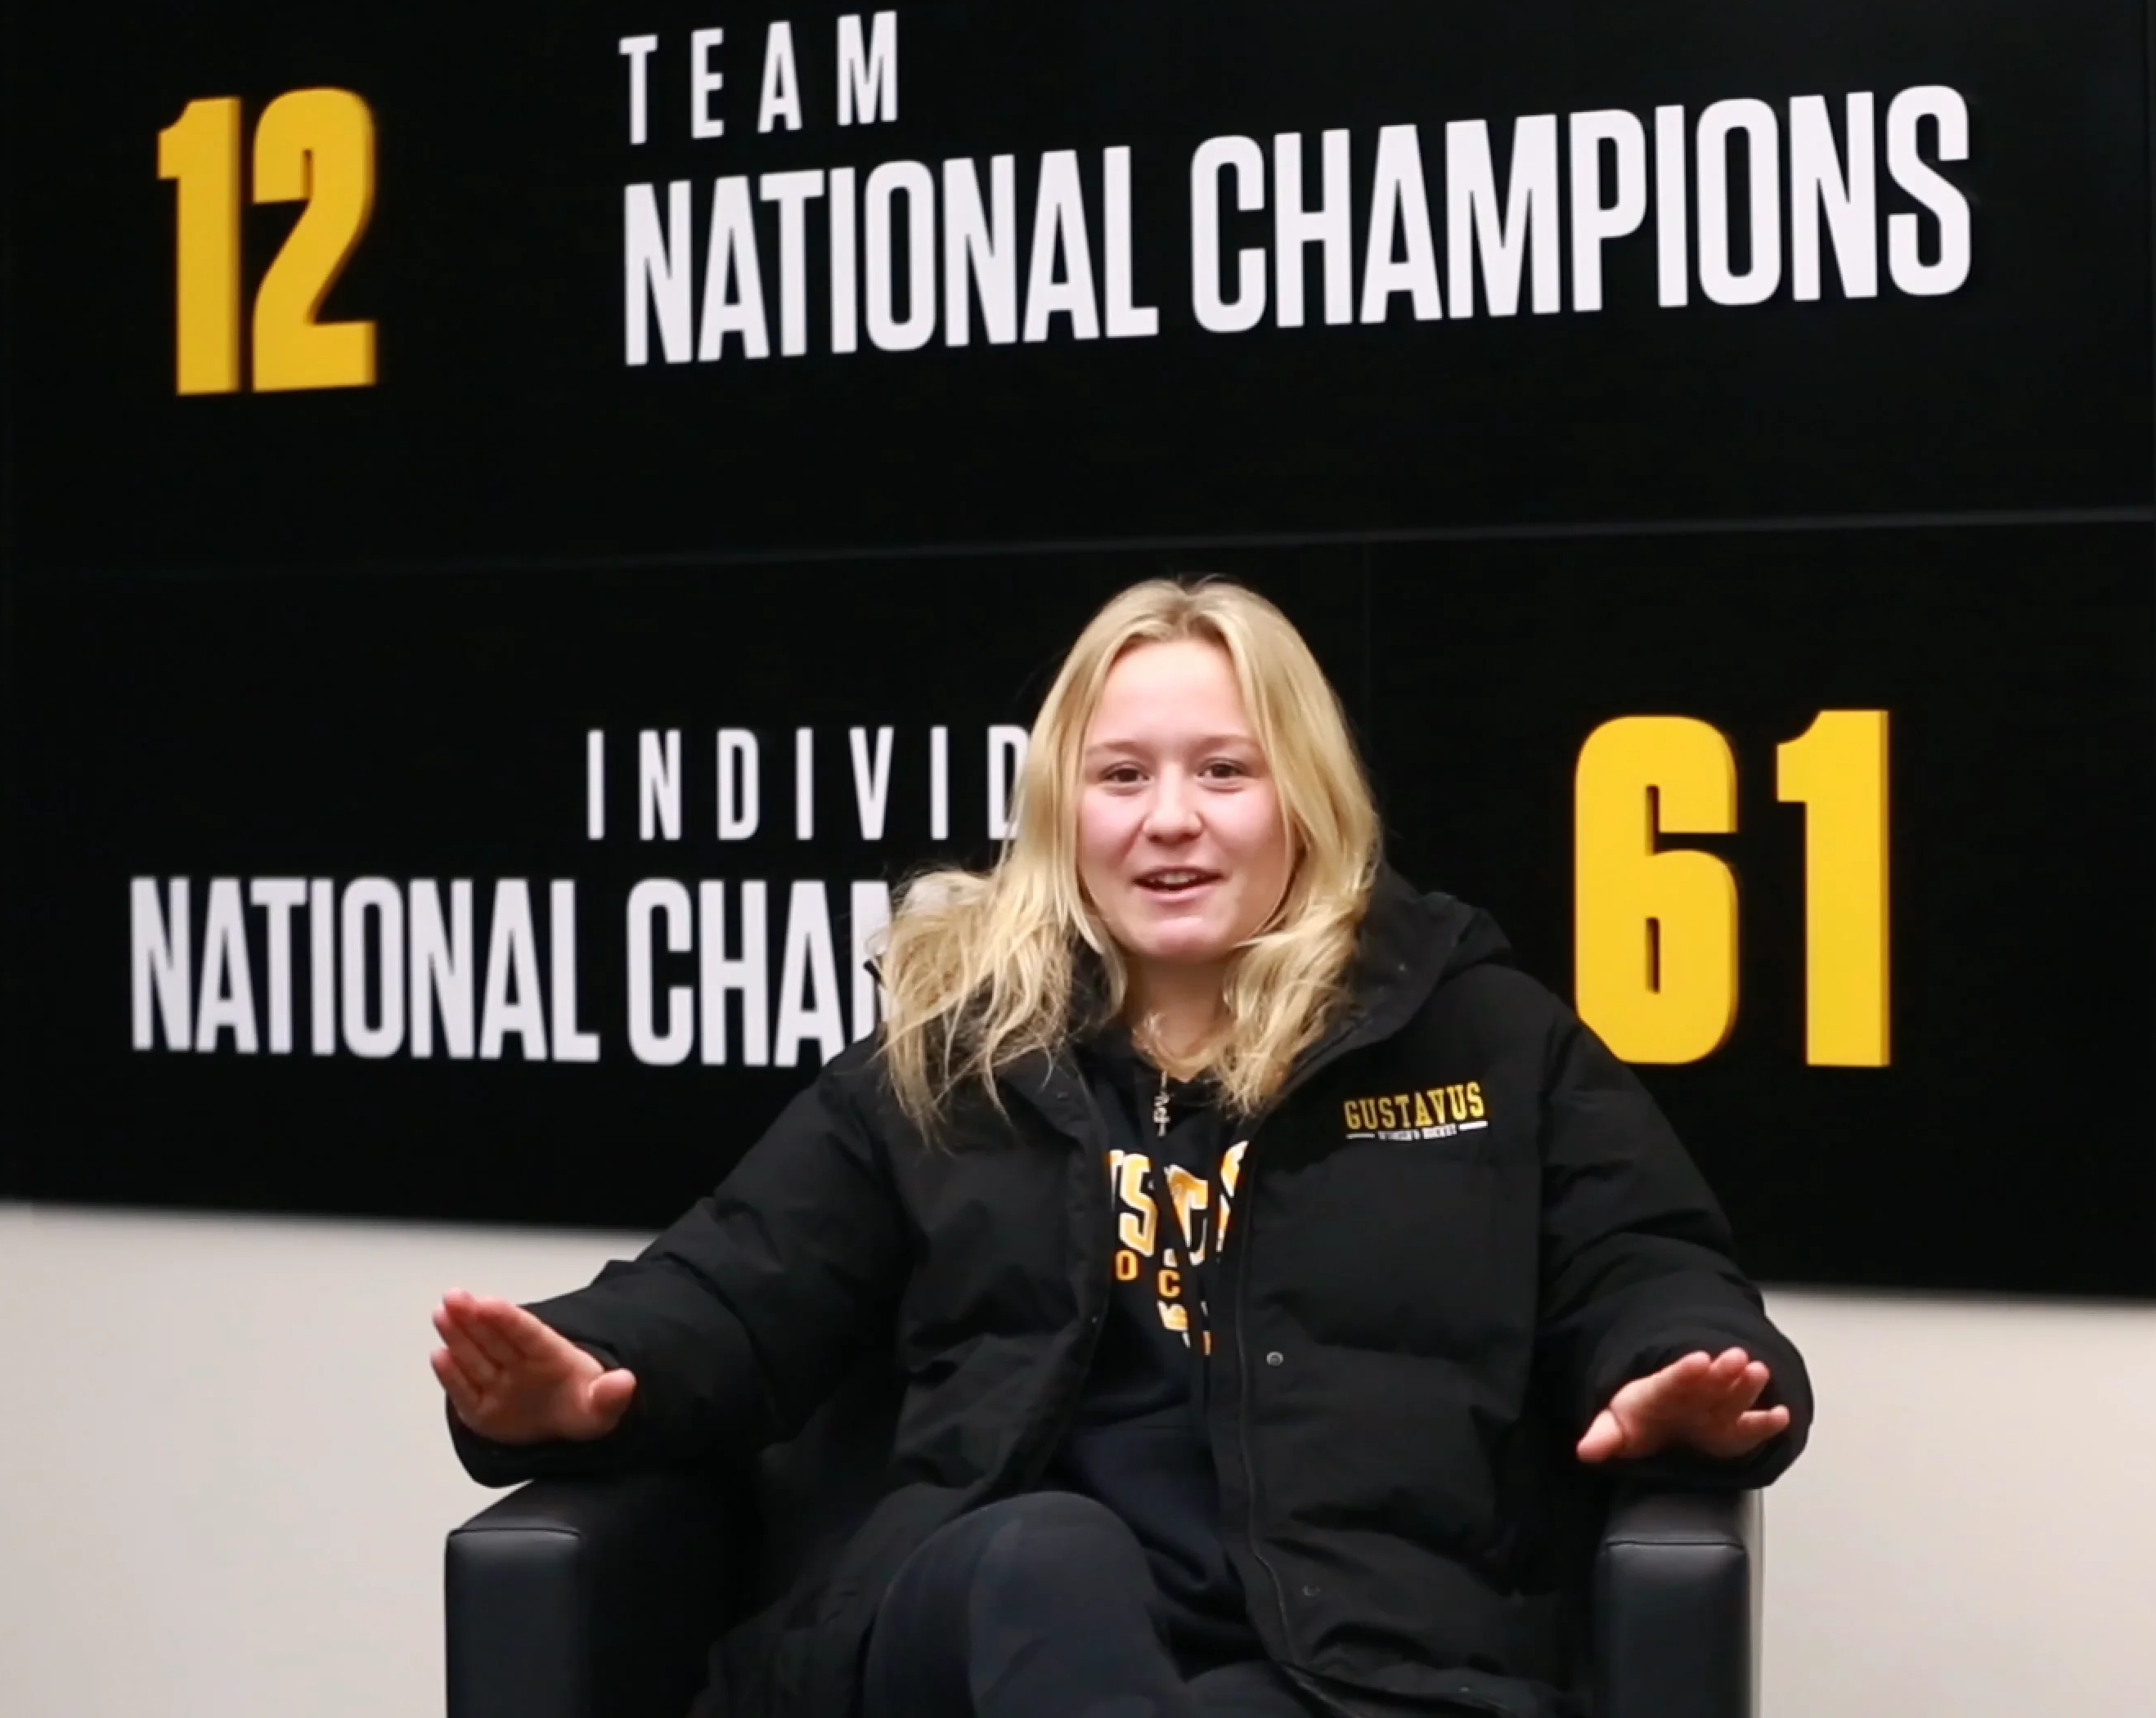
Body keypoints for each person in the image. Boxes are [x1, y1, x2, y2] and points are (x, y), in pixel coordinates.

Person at [432, 577, 1812, 1718]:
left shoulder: (1481, 1038)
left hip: (1340, 1657)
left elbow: (1648, 1267)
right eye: (1121, 776)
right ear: (1063, 812)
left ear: (1304, 799)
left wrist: (1677, 1372)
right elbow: (734, 1285)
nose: (1169, 819)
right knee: (1049, 1557)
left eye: (1224, 771)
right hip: (984, 1617)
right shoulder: (958, 1059)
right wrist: (589, 1369)